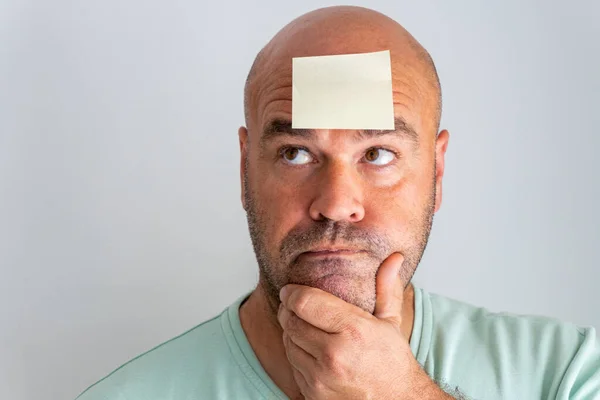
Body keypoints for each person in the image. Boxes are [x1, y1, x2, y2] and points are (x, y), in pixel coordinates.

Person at [74, 5, 600, 400]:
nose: (337, 204)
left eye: (377, 152)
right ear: (244, 169)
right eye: (296, 152)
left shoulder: (566, 372)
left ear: (436, 173)